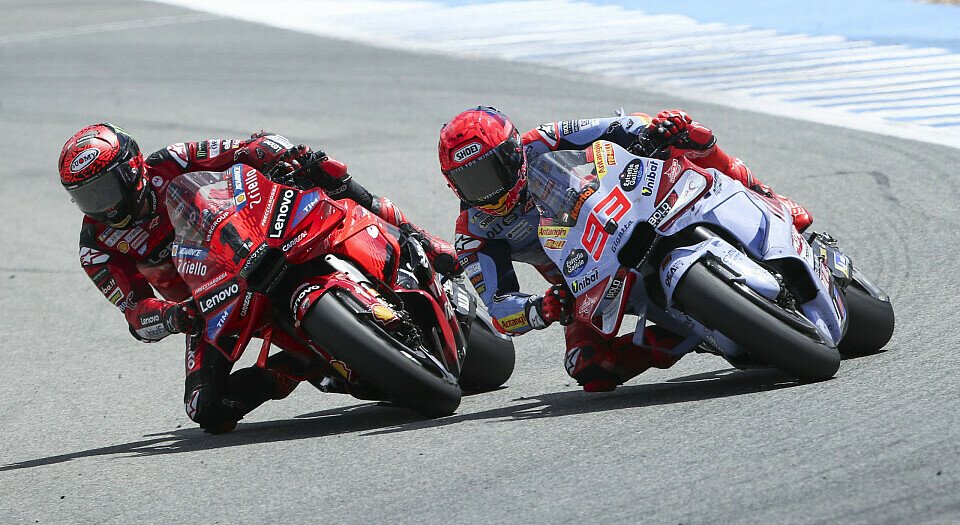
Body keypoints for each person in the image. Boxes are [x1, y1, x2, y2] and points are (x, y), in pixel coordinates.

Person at [59, 123, 454, 433]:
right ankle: (301, 364)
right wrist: (172, 317)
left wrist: (283, 152)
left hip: (254, 231)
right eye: (86, 198)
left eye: (104, 189)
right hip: (206, 299)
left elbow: (243, 147)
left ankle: (417, 237)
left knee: (328, 174)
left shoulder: (173, 161)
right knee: (206, 410)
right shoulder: (96, 247)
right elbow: (134, 315)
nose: (102, 207)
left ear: (131, 169)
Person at [438, 107, 813, 392]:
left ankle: (766, 195)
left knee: (687, 138)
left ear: (512, 151)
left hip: (629, 206)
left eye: (490, 171)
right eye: (470, 180)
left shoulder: (544, 140)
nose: (487, 191)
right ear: (453, 185)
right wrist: (541, 308)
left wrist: (658, 128)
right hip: (582, 281)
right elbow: (501, 309)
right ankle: (692, 337)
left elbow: (620, 126)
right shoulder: (473, 232)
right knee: (588, 369)